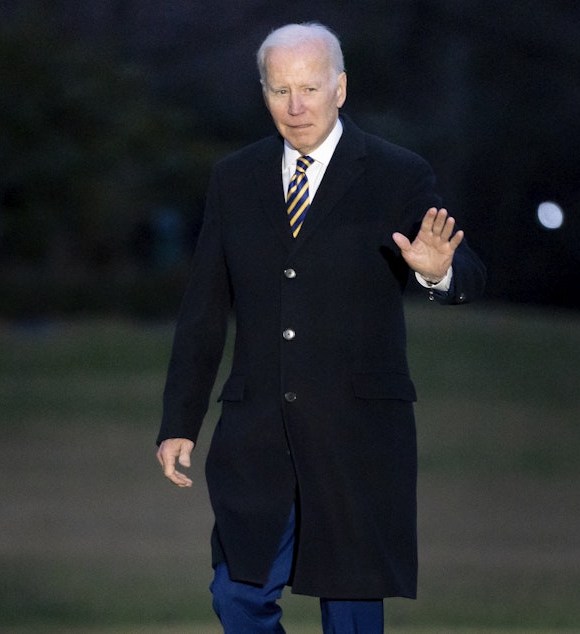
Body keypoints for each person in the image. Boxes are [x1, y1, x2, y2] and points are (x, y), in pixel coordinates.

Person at [156, 21, 486, 633]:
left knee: (353, 618)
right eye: (280, 90)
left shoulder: (395, 172)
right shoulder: (235, 178)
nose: (296, 106)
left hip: (357, 439)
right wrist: (179, 421)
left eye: (310, 88)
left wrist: (439, 273)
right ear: (264, 93)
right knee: (238, 599)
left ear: (341, 88)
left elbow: (464, 267)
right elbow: (204, 309)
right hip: (257, 436)